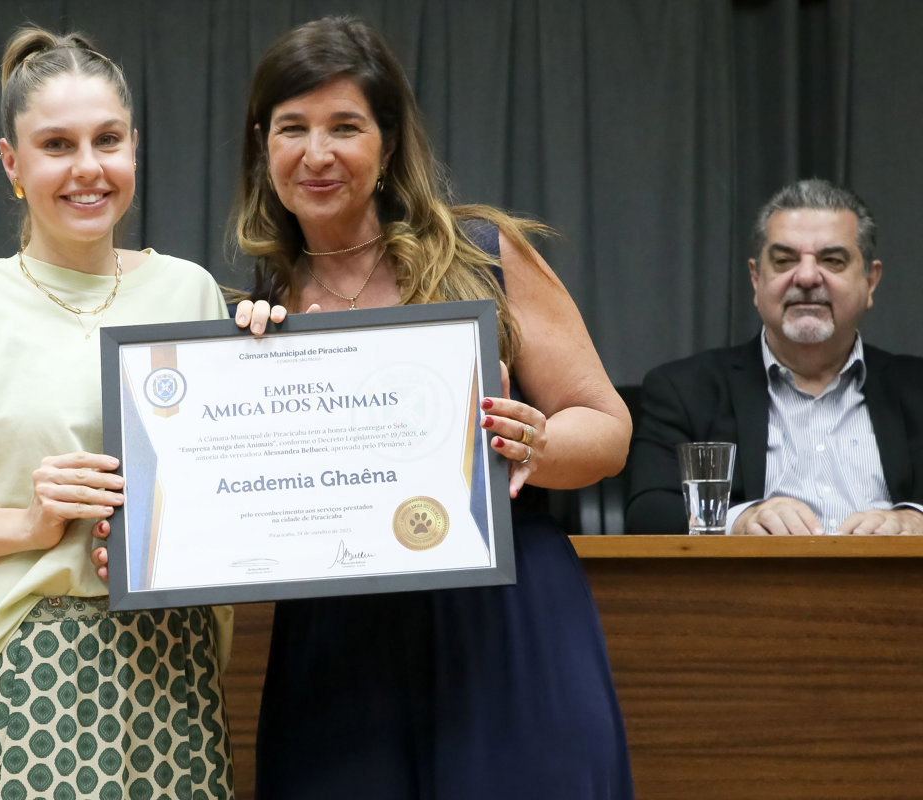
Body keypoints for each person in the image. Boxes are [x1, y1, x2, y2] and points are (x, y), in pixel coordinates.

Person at [95, 15, 635, 798]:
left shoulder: (482, 256)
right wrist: (152, 537)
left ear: (387, 143)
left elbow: (609, 429)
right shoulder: (254, 317)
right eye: (293, 129)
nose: (317, 154)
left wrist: (535, 442)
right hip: (338, 647)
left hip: (507, 619)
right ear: (262, 145)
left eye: (345, 126)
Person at [0, 27, 242, 800]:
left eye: (108, 140)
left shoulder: (191, 291)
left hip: (177, 669)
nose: (88, 168)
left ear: (136, 147)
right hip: (22, 678)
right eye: (56, 144)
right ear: (12, 164)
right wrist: (24, 525)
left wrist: (270, 346)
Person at [626, 178, 923, 535]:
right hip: (744, 589)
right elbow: (647, 514)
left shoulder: (917, 389)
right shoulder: (684, 390)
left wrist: (916, 519)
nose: (808, 276)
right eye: (784, 261)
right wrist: (739, 521)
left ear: (870, 281)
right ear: (756, 279)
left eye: (832, 260)